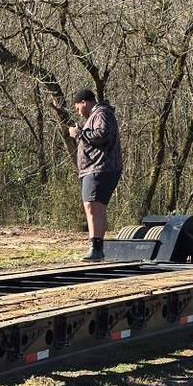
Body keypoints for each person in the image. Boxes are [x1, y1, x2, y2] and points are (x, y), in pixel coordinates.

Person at [70, 89, 122, 261]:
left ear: (84, 102)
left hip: (100, 167)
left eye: (78, 108)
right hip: (94, 168)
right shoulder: (98, 115)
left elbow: (102, 134)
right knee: (93, 206)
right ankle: (96, 246)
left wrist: (79, 134)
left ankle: (96, 247)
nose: (78, 112)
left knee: (93, 206)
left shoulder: (102, 113)